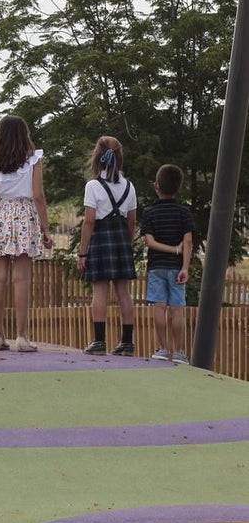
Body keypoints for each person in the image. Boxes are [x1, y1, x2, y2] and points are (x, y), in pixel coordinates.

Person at [0, 115, 53, 352]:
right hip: (25, 216)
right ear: (24, 135)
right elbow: (38, 196)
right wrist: (46, 228)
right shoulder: (33, 160)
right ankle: (21, 337)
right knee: (21, 279)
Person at [77, 136, 138, 356]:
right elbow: (132, 220)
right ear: (119, 158)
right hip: (122, 238)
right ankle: (127, 342)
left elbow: (89, 221)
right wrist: (127, 244)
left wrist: (82, 252)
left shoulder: (92, 186)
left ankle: (99, 341)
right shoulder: (130, 186)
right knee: (124, 292)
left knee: (99, 290)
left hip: (101, 239)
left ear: (97, 157)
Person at [141, 164, 195, 364]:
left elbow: (150, 242)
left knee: (159, 306)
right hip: (176, 267)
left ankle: (163, 348)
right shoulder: (184, 213)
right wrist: (184, 266)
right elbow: (188, 242)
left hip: (156, 267)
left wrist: (167, 249)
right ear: (178, 188)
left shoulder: (149, 213)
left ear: (156, 186)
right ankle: (179, 351)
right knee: (177, 309)